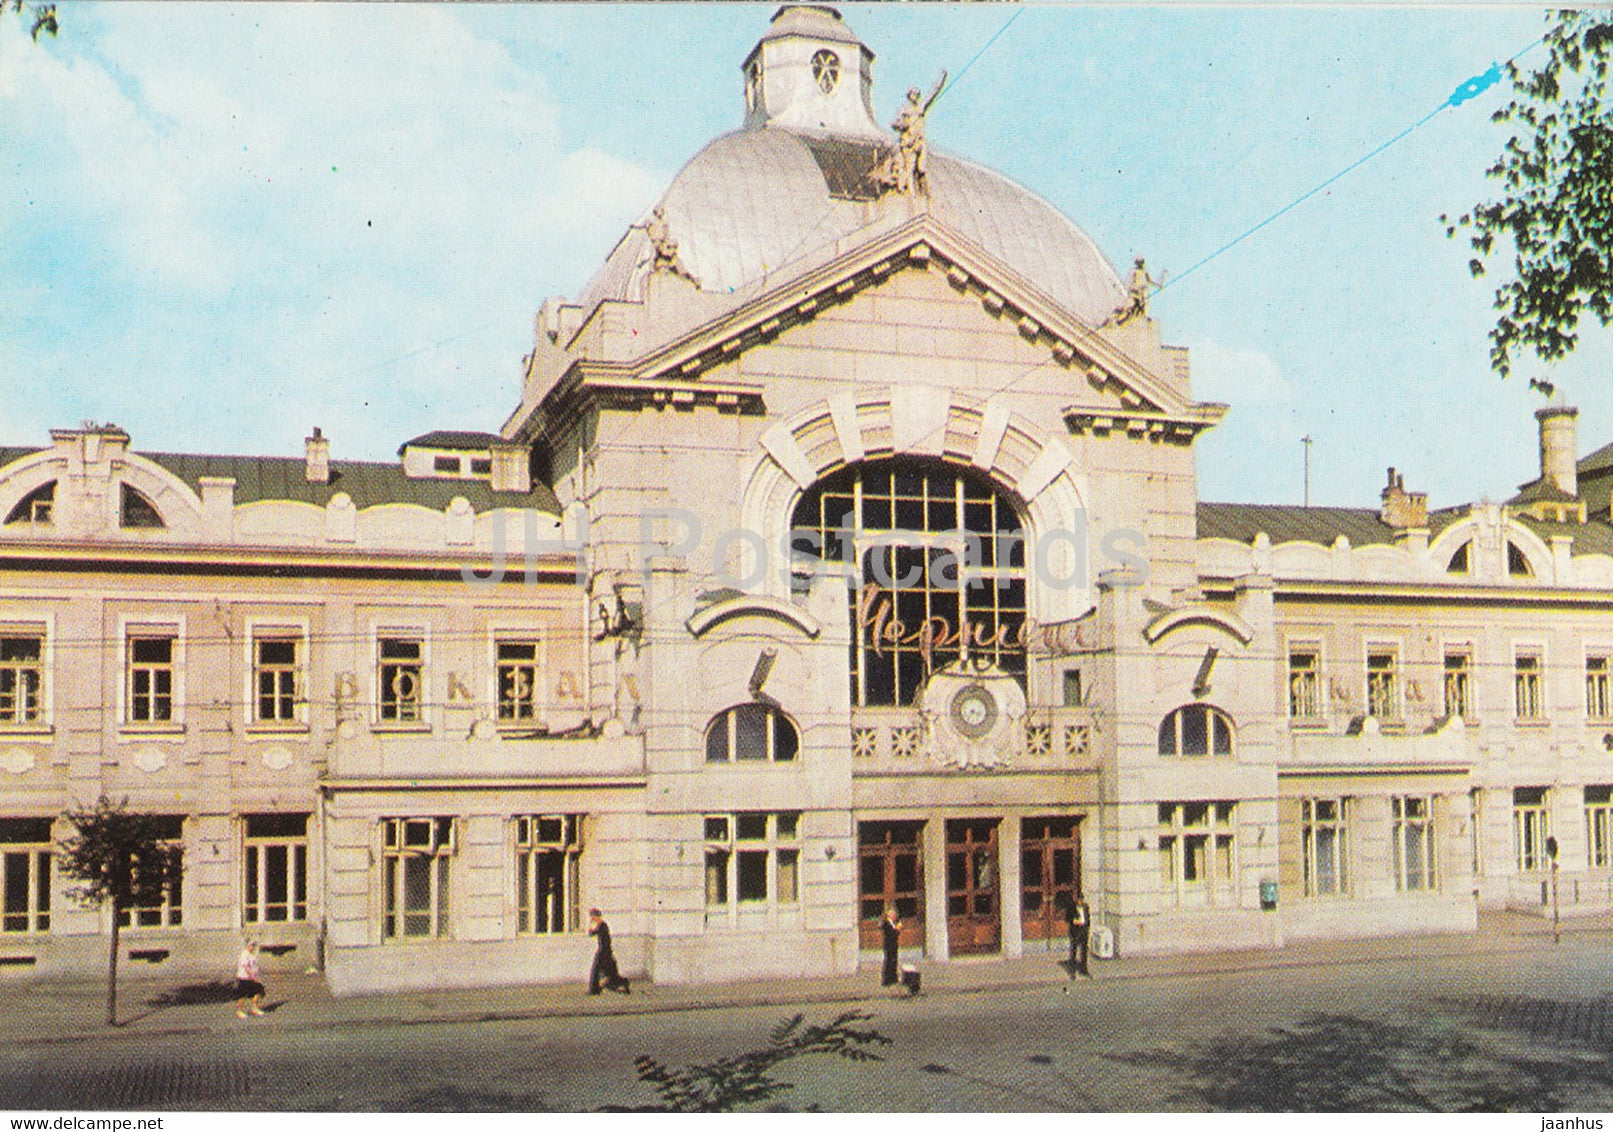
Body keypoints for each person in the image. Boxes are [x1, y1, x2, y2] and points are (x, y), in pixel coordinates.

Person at [587, 908, 630, 995]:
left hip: (604, 951)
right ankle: (622, 983)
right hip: (604, 950)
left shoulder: (602, 925)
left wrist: (591, 927)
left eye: (592, 916)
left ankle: (595, 990)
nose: (591, 918)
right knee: (610, 972)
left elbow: (593, 933)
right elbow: (592, 934)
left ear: (596, 916)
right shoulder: (600, 925)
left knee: (597, 970)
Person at [234, 939, 266, 1018]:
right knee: (243, 995)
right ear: (247, 946)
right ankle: (239, 1011)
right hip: (244, 977)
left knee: (259, 990)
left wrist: (256, 975)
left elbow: (254, 966)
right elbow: (246, 967)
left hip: (252, 978)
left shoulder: (252, 955)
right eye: (250, 945)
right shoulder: (244, 955)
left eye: (253, 945)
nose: (252, 947)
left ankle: (254, 1008)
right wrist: (252, 976)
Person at [1064, 894, 1090, 978]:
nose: (1080, 902)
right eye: (1078, 900)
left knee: (1084, 951)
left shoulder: (1085, 907)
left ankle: (1084, 969)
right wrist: (1073, 921)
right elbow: (1067, 918)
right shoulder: (1072, 908)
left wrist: (1087, 928)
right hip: (1075, 930)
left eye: (1081, 900)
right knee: (1074, 950)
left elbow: (1088, 918)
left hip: (1083, 930)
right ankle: (1072, 971)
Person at [880, 906, 902, 988]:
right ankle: (887, 980)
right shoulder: (887, 923)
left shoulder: (892, 923)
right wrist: (897, 929)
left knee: (894, 961)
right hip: (889, 945)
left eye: (895, 915)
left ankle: (893, 978)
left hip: (893, 945)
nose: (894, 917)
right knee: (889, 961)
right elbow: (891, 933)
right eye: (893, 915)